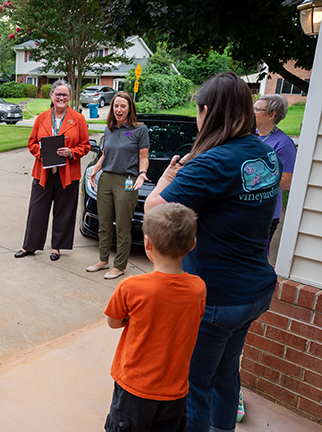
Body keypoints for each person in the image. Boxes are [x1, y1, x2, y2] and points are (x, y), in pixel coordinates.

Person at [144, 72, 281, 432]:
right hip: (254, 289)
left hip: (216, 297)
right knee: (225, 374)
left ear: (206, 111)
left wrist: (169, 179)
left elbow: (156, 212)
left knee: (194, 388)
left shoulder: (212, 163)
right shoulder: (265, 154)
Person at [104, 203, 206, 432]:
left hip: (134, 389)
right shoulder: (198, 288)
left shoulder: (131, 287)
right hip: (175, 390)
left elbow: (113, 322)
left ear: (147, 243)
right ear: (192, 244)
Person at [14, 79, 90, 261]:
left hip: (67, 173)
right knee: (37, 210)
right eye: (58, 94)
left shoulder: (78, 119)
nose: (61, 98)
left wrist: (71, 152)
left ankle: (56, 247)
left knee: (64, 211)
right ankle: (29, 246)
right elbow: (31, 142)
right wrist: (42, 154)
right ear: (52, 96)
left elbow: (85, 145)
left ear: (69, 97)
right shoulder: (41, 118)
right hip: (43, 172)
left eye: (65, 94)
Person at [87, 91, 150, 279]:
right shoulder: (109, 129)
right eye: (116, 106)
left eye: (123, 106)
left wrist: (142, 173)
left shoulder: (139, 130)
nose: (119, 109)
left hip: (127, 180)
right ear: (112, 108)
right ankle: (103, 259)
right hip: (106, 178)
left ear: (129, 108)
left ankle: (120, 265)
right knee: (104, 223)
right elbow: (105, 154)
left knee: (123, 226)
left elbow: (143, 157)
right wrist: (96, 168)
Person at [253, 94, 297, 252]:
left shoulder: (283, 143)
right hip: (245, 207)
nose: (252, 112)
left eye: (257, 109)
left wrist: (254, 177)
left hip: (265, 212)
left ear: (272, 114)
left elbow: (287, 181)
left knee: (256, 257)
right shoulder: (251, 136)